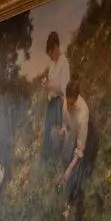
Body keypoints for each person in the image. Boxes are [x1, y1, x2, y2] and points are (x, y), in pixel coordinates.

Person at [57, 77, 91, 220]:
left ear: (77, 99)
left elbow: (80, 148)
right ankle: (65, 201)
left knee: (78, 174)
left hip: (85, 140)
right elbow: (65, 123)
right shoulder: (65, 102)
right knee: (66, 162)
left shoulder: (83, 115)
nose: (69, 107)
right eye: (68, 102)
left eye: (72, 104)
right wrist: (62, 131)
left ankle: (77, 212)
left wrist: (70, 169)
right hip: (73, 135)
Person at [41, 31, 70, 160]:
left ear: (56, 47)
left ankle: (56, 161)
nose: (51, 57)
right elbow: (51, 83)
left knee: (57, 135)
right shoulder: (52, 64)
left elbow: (65, 89)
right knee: (48, 134)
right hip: (51, 103)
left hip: (59, 103)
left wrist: (50, 87)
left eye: (51, 53)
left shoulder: (64, 63)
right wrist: (46, 85)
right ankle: (48, 163)